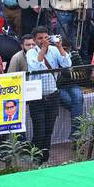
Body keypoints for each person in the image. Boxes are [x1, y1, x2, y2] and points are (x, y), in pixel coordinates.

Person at [25, 26, 70, 163]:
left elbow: (67, 64)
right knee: (40, 131)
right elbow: (35, 68)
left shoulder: (55, 50)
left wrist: (60, 47)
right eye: (39, 38)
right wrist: (43, 50)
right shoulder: (31, 53)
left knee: (49, 131)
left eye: (45, 37)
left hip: (52, 95)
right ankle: (34, 158)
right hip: (37, 98)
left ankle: (44, 159)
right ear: (34, 40)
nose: (43, 40)